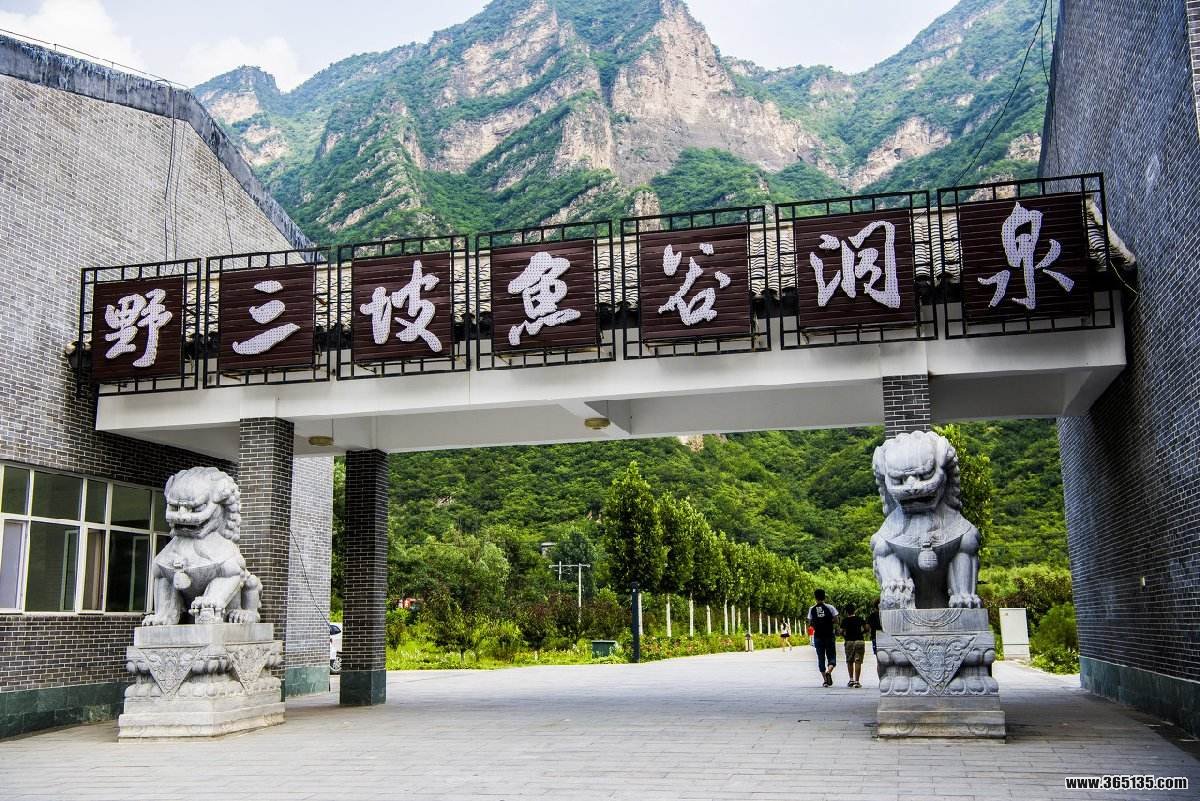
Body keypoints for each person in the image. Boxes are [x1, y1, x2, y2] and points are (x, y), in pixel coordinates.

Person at [805, 588, 838, 687]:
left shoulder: (812, 609)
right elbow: (836, 620)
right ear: (824, 597)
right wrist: (829, 622)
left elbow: (810, 622)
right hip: (829, 635)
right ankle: (829, 671)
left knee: (821, 657)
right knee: (831, 656)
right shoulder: (830, 607)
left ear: (815, 597)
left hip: (818, 636)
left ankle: (825, 680)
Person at [841, 603, 867, 688]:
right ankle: (857, 681)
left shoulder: (845, 620)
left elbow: (841, 631)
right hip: (859, 641)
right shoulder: (859, 619)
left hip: (849, 642)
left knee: (849, 661)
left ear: (846, 612)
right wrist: (862, 633)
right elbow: (867, 628)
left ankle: (851, 680)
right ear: (854, 610)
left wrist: (845, 636)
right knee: (858, 661)